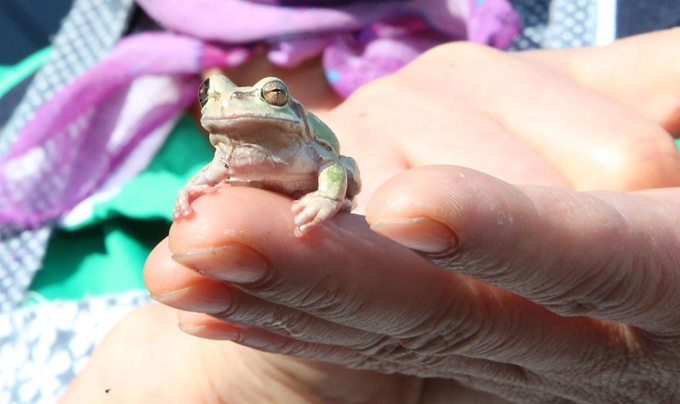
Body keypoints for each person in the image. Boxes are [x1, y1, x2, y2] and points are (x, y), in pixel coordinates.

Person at [60, 27, 680, 403]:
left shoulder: (303, 140)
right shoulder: (206, 146)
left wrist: (328, 198)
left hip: (322, 173)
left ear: (291, 110)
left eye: (270, 96)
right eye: (211, 98)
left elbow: (334, 167)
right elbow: (211, 176)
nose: (229, 106)